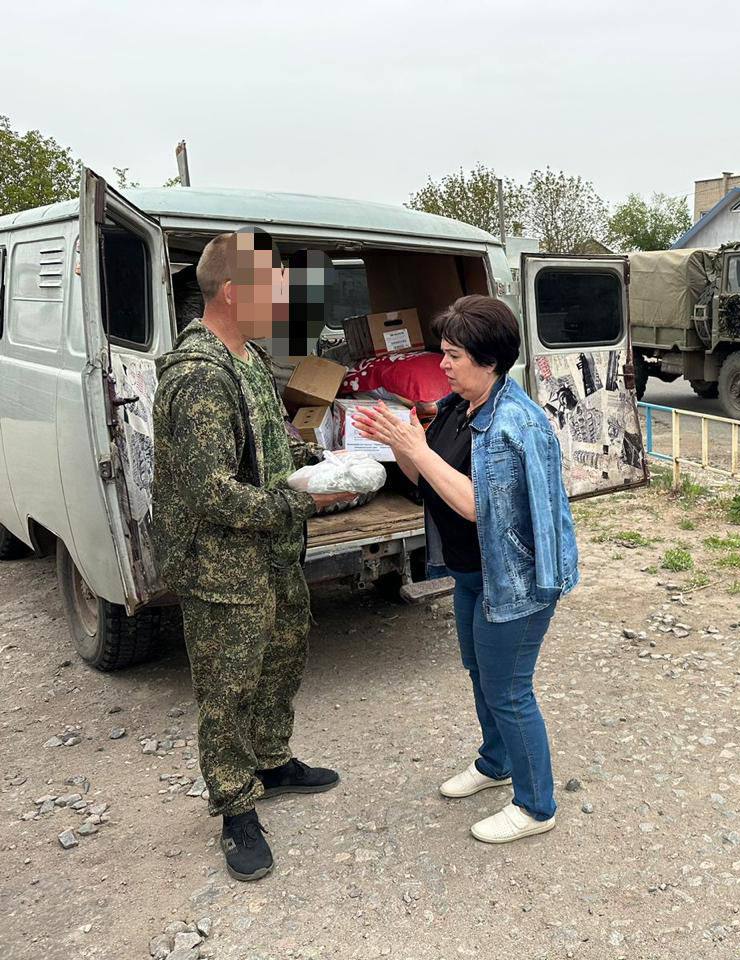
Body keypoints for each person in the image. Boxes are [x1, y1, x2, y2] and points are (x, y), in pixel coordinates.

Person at [153, 231, 352, 882]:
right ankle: (236, 804)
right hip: (223, 564)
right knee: (227, 686)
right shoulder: (201, 375)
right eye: (276, 284)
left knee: (282, 655)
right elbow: (210, 492)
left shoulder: (249, 357)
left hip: (268, 551)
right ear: (236, 295)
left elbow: (271, 444)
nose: (288, 294)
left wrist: (320, 465)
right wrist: (299, 506)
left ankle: (271, 760)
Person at [353, 295, 579, 845]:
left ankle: (536, 805)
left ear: (489, 359)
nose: (444, 365)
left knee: (509, 689)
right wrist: (399, 443)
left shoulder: (514, 424)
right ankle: (495, 762)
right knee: (481, 674)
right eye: (444, 353)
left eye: (454, 354)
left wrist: (416, 448)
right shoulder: (461, 405)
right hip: (474, 573)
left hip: (517, 582)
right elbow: (425, 476)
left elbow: (481, 505)